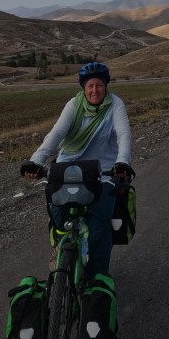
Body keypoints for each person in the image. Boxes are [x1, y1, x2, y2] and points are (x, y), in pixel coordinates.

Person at [20, 61, 134, 279]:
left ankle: (97, 278)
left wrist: (122, 162)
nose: (94, 90)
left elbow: (124, 135)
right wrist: (36, 161)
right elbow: (56, 134)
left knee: (99, 226)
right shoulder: (74, 105)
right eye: (90, 85)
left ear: (106, 86)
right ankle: (62, 249)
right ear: (83, 87)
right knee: (58, 214)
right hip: (68, 168)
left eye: (99, 85)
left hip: (103, 171)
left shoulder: (115, 105)